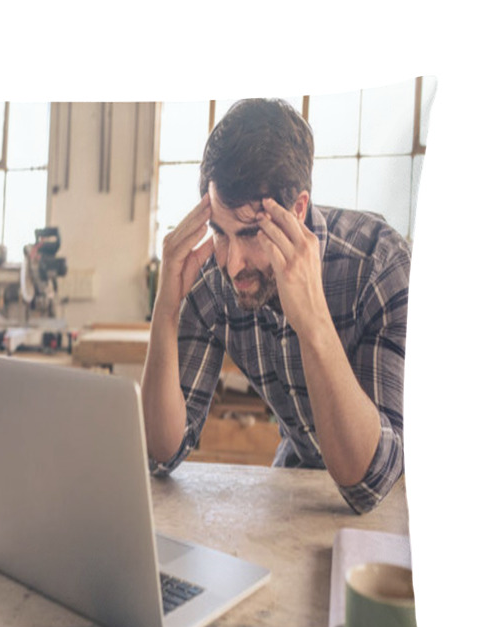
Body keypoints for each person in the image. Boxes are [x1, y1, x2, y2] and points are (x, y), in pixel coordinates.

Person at [141, 98, 410, 514]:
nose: (233, 264)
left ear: (297, 210)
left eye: (250, 234)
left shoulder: (378, 265)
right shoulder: (213, 275)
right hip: (297, 483)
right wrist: (165, 310)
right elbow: (161, 452)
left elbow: (369, 483)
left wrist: (313, 322)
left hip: (401, 497)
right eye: (220, 233)